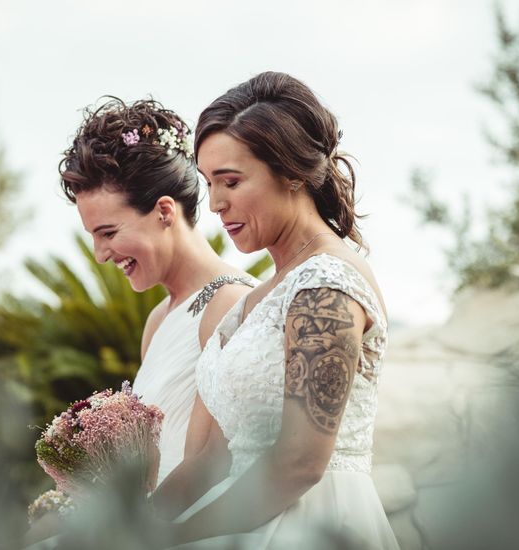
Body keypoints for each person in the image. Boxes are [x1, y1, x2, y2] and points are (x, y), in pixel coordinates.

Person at [153, 72, 399, 549]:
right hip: (237, 518)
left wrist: (176, 538)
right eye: (208, 183)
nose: (216, 204)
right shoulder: (253, 301)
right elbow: (211, 459)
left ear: (292, 173)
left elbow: (300, 463)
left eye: (231, 180)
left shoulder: (326, 286)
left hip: (313, 524)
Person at [57, 97, 256, 487]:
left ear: (165, 212)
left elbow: (216, 463)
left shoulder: (233, 304)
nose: (100, 255)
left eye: (109, 233)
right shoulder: (157, 321)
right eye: (93, 238)